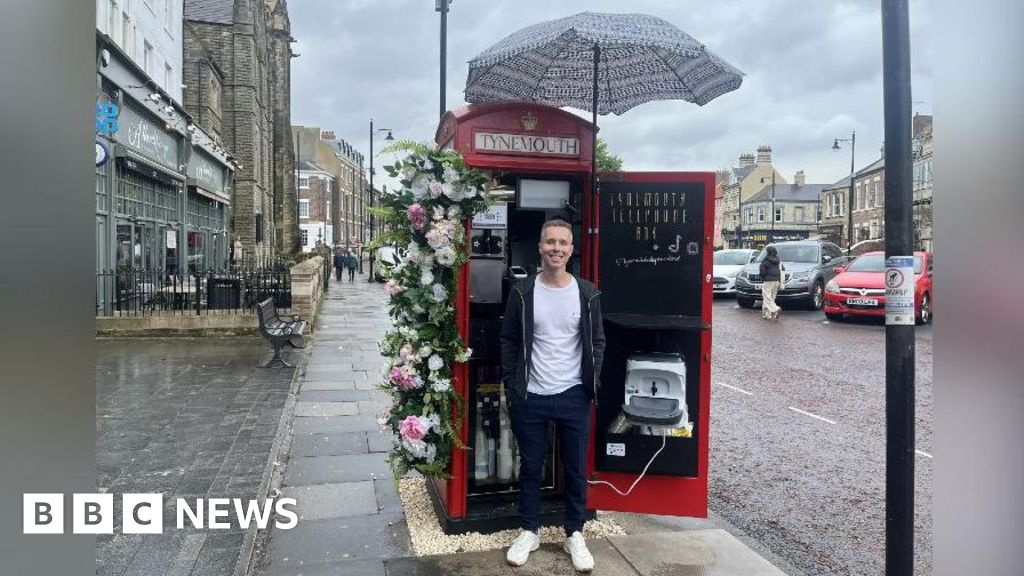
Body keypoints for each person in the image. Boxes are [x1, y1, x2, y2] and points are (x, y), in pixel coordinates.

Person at [500, 218, 605, 572]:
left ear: (572, 249)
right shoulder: (522, 292)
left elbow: (598, 342)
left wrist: (591, 381)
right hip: (531, 394)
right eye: (550, 242)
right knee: (531, 466)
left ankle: (574, 532)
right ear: (540, 248)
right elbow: (509, 340)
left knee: (575, 468)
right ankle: (528, 529)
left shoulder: (587, 293)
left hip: (574, 393)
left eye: (563, 242)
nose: (556, 248)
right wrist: (513, 384)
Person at [759, 245, 783, 319]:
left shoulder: (765, 260)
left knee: (766, 298)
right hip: (777, 281)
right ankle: (766, 314)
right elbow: (782, 270)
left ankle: (776, 309)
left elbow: (762, 272)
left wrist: (762, 278)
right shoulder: (778, 260)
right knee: (771, 298)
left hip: (768, 281)